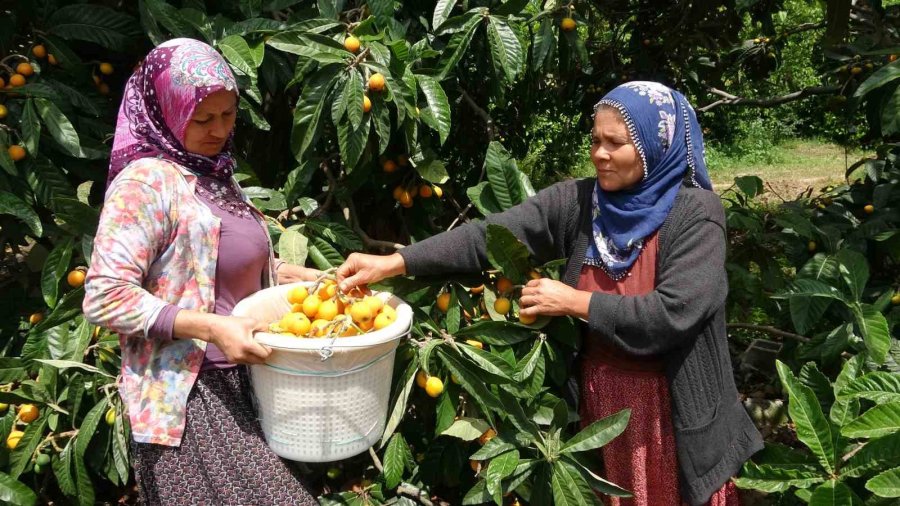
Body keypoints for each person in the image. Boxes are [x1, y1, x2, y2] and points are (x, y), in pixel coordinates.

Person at [336, 81, 763, 505]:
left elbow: (672, 314)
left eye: (615, 143)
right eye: (595, 140)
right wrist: (394, 262)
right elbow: (488, 236)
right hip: (596, 408)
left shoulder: (697, 215)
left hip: (671, 414)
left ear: (656, 146)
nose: (599, 154)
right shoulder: (580, 202)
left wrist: (574, 302)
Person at [82, 38, 320, 505]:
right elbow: (105, 296)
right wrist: (211, 327)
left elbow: (209, 264)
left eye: (228, 115)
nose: (218, 130)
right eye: (202, 118)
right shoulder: (146, 182)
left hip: (253, 380)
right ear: (167, 111)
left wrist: (300, 277)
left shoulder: (214, 175)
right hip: (191, 397)